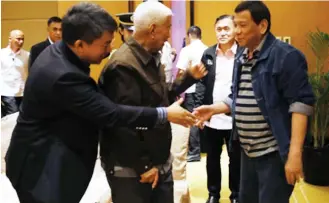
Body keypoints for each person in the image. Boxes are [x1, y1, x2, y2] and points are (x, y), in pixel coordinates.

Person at [5, 3, 197, 203]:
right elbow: (112, 113)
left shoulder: (63, 53)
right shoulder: (63, 74)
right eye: (105, 44)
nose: (110, 49)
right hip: (41, 168)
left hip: (53, 159)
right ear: (80, 44)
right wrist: (164, 114)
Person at [194, 1, 315, 203]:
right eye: (235, 25)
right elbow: (238, 95)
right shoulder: (242, 54)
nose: (236, 32)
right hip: (246, 150)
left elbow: (301, 105)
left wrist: (294, 154)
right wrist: (214, 109)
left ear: (262, 26)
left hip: (273, 154)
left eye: (242, 25)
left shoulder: (286, 56)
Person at [98, 1, 207, 203]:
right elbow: (122, 122)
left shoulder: (150, 57)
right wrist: (144, 166)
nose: (169, 34)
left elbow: (161, 95)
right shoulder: (123, 65)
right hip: (135, 170)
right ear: (153, 30)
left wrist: (189, 77)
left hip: (157, 162)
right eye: (168, 27)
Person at [195, 15, 240, 203]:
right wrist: (200, 111)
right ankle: (213, 194)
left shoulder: (243, 53)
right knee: (212, 159)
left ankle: (236, 194)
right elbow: (201, 84)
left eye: (226, 29)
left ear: (235, 29)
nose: (222, 33)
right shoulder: (208, 53)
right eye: (219, 29)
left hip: (235, 118)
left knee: (235, 159)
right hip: (211, 117)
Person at [177, 25, 207, 163]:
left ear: (189, 35)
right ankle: (202, 148)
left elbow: (182, 71)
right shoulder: (207, 49)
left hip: (191, 88)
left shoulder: (186, 50)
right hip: (205, 88)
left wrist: (177, 88)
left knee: (192, 117)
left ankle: (194, 151)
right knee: (203, 116)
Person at [1, 30, 29, 118]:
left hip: (22, 92)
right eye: (18, 39)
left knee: (22, 116)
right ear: (10, 39)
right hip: (7, 92)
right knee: (12, 117)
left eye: (22, 39)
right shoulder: (2, 54)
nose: (21, 42)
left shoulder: (27, 55)